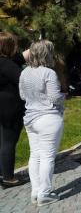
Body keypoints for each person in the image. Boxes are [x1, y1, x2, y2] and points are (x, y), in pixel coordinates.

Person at [19, 40, 65, 206]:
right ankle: (44, 193)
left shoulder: (25, 72)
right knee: (47, 156)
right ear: (48, 54)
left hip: (31, 117)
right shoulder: (48, 73)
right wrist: (63, 97)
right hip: (48, 117)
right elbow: (54, 97)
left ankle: (36, 191)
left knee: (35, 155)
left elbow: (22, 95)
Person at [0, 32, 27, 187]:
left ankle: (3, 172)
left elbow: (17, 60)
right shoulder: (7, 64)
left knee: (3, 141)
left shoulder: (5, 62)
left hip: (3, 106)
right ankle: (9, 177)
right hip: (10, 108)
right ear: (8, 46)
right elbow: (23, 81)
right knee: (9, 142)